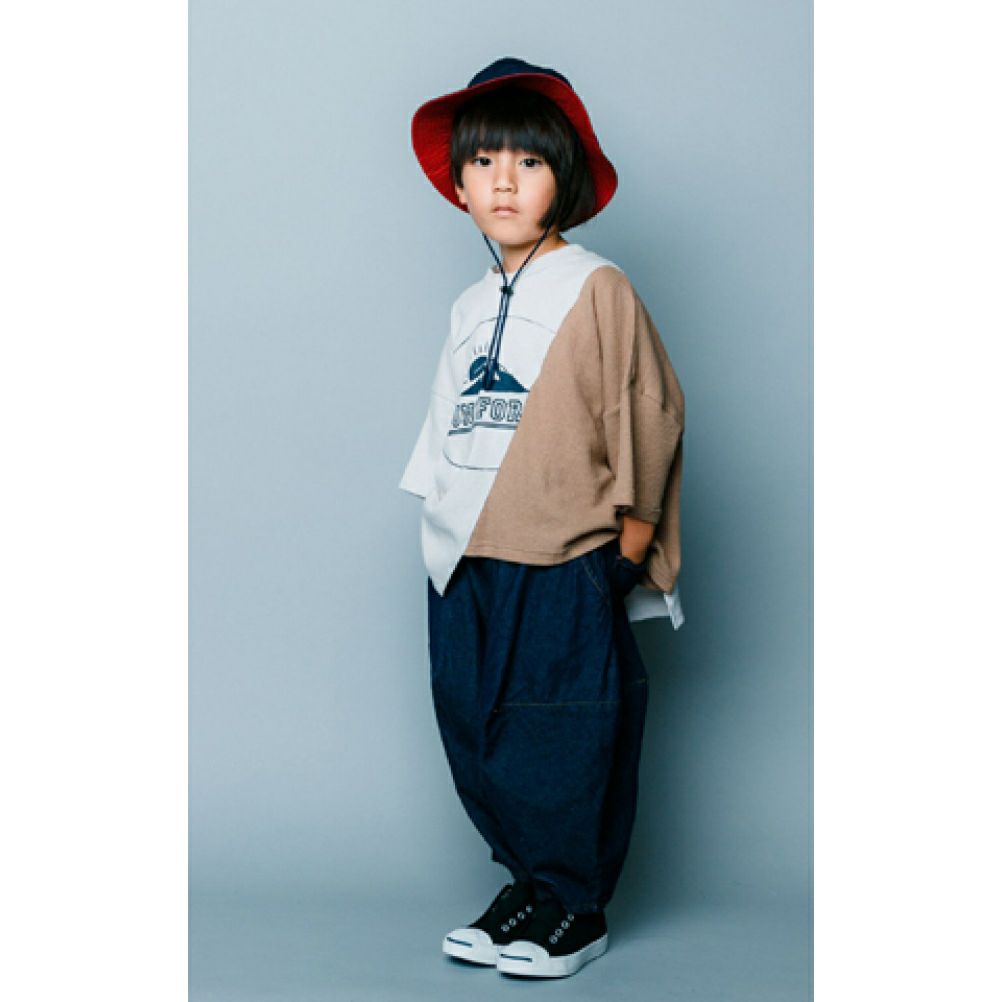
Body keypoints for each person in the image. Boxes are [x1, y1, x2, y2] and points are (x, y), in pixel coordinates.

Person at [399, 57, 686, 979]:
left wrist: (627, 548)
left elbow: (647, 408)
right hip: (468, 555)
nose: (504, 182)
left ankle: (576, 902)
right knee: (479, 729)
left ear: (563, 176)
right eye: (484, 163)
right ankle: (526, 882)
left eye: (527, 161)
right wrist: (439, 530)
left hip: (563, 554)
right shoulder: (470, 304)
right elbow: (448, 421)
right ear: (458, 184)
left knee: (564, 731)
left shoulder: (596, 286)